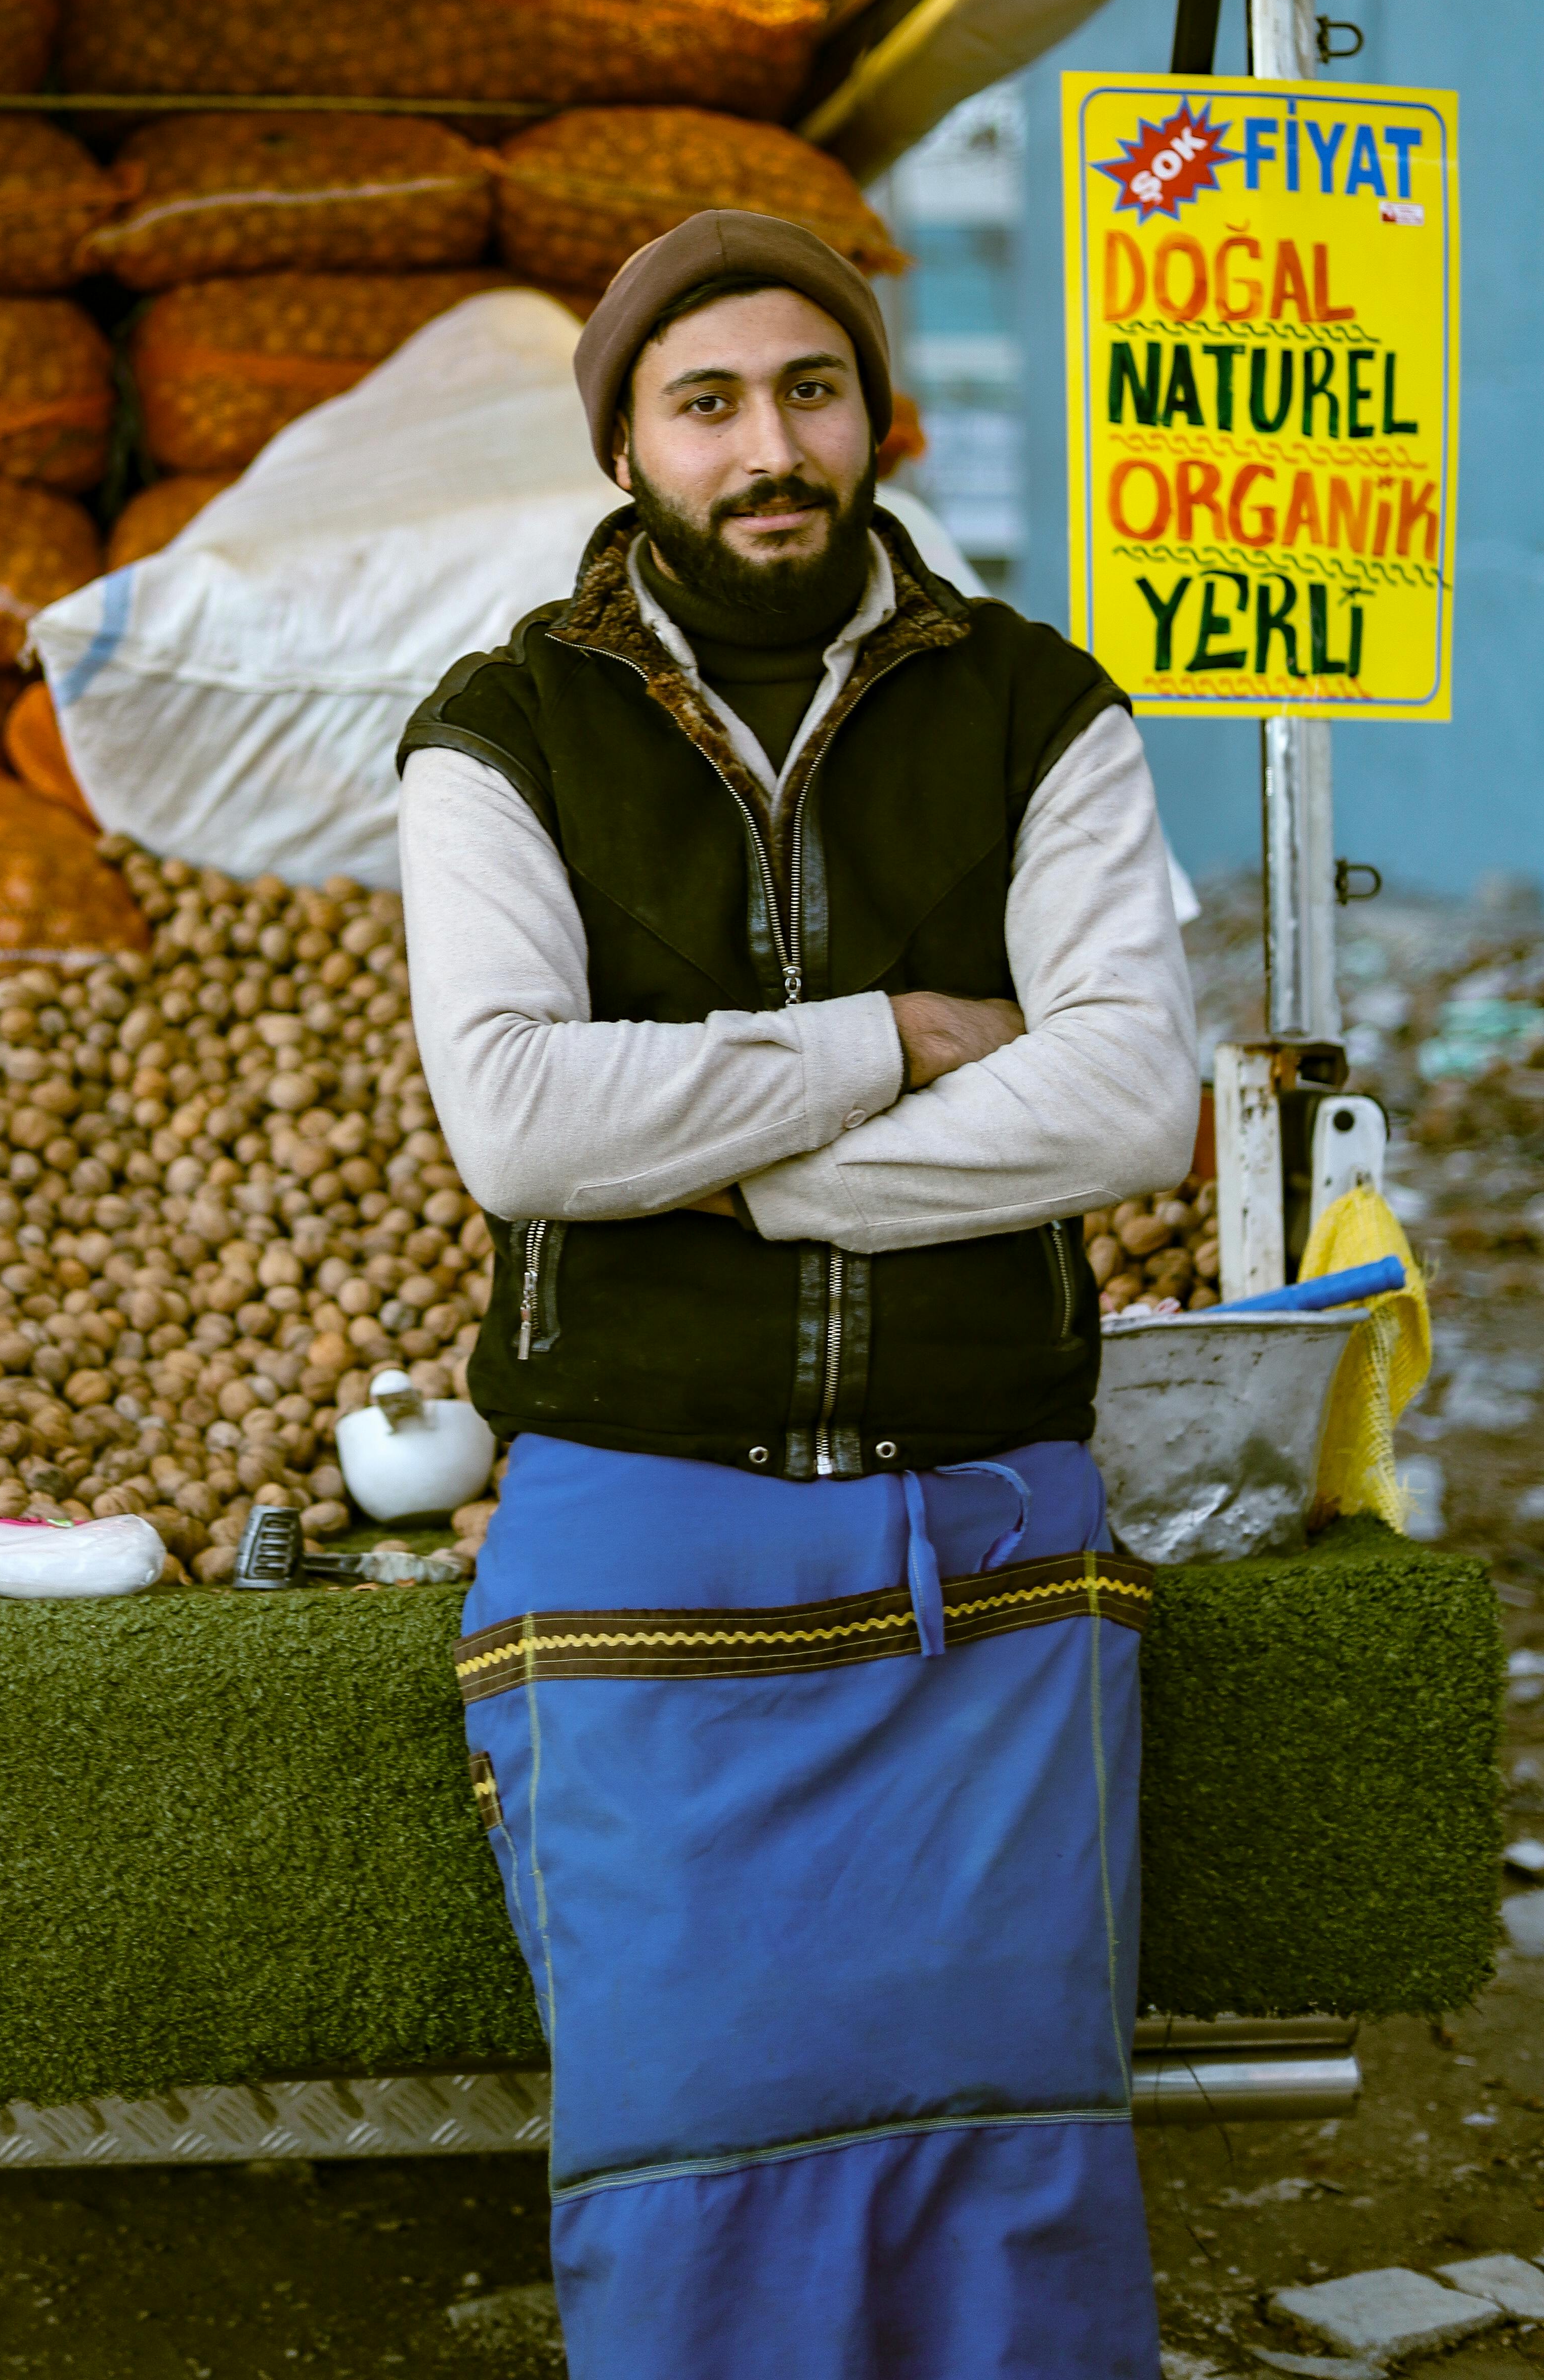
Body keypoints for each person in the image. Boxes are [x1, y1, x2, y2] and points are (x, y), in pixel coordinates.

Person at [396, 209, 1198, 2380]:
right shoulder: (499, 732)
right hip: (644, 1518)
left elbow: (1128, 1100)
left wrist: (741, 1184)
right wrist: (883, 1039)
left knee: (1009, 2154)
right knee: (693, 2169)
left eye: (809, 390)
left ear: (874, 415)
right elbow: (521, 1129)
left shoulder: (1041, 706)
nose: (771, 444)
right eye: (707, 402)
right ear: (629, 449)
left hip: (983, 1529)